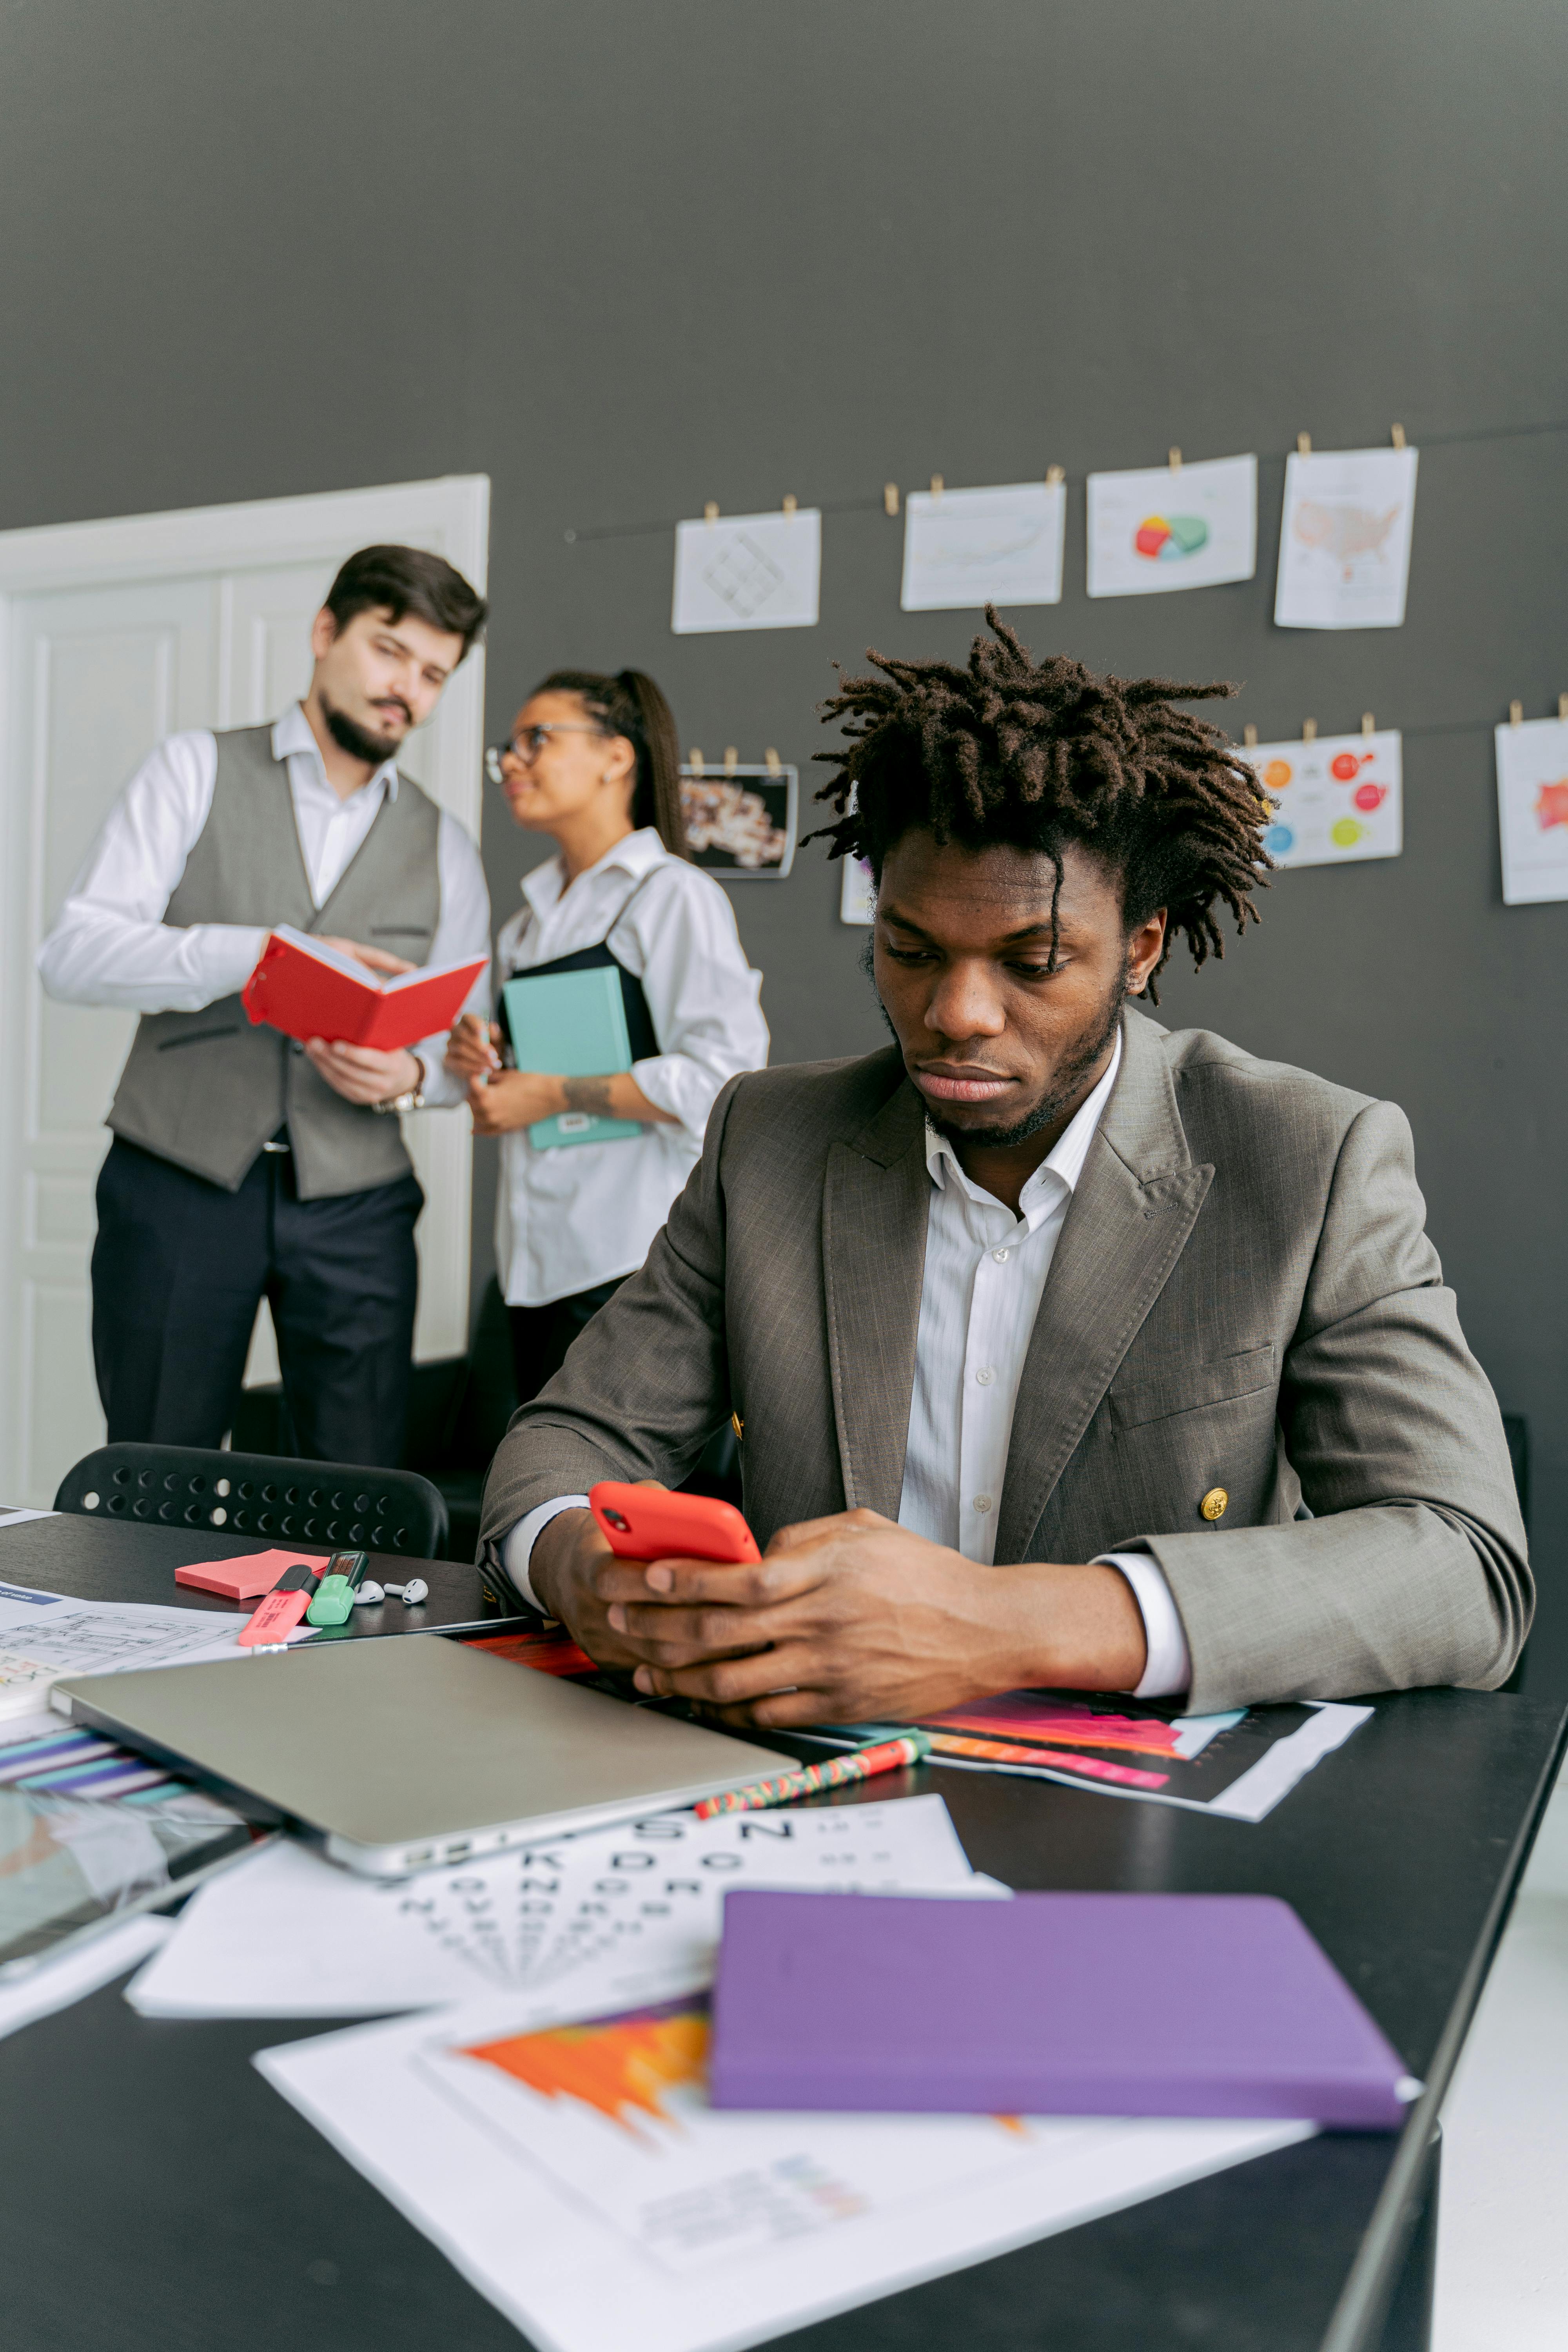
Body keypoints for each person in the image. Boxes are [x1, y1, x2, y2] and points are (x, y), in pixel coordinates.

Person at [478, 614, 1530, 1722]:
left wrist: (1014, 1627)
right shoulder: (770, 1144)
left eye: (1034, 963)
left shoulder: (1307, 1160)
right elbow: (563, 1446)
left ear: (1141, 946)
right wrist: (582, 1571)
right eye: (910, 950)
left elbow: (1467, 1567)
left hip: (1142, 1824)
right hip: (804, 1785)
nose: (955, 1015)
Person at [38, 543, 491, 1466]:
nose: (406, 687)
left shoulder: (443, 843)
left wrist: (409, 1074)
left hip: (358, 1206)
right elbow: (73, 955)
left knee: (355, 1483)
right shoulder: (191, 770)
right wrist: (257, 955)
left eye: (434, 673)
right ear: (325, 635)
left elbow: (463, 1042)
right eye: (388, 650)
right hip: (177, 1182)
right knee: (154, 1469)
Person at [446, 668, 768, 1407]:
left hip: (632, 1263)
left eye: (538, 739)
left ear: (616, 756)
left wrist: (550, 1093)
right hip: (533, 1265)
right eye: (507, 747)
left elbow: (725, 1078)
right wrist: (486, 1067)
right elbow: (519, 1089)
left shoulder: (672, 897)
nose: (512, 762)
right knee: (544, 1501)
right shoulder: (523, 927)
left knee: (617, 1510)